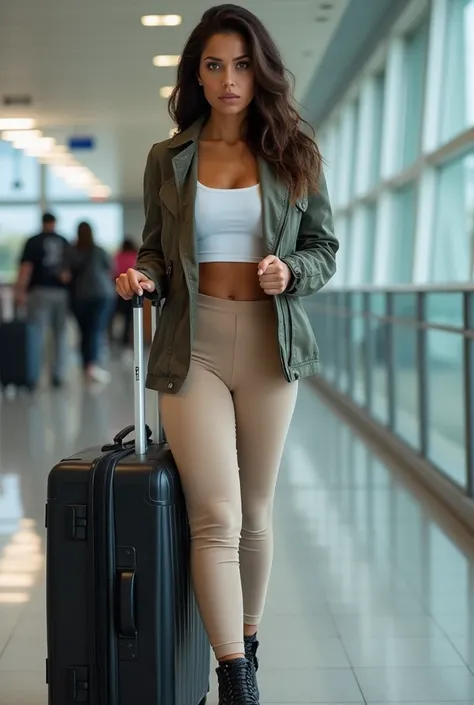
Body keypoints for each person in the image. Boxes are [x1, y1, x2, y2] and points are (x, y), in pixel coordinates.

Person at [116, 5, 339, 704]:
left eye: (242, 64)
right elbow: (154, 247)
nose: (229, 79)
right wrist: (144, 274)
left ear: (260, 70)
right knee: (216, 513)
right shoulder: (170, 157)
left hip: (271, 346)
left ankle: (248, 636)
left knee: (257, 510)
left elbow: (324, 250)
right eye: (213, 65)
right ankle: (235, 677)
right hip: (194, 345)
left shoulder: (293, 151)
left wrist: (290, 273)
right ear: (197, 76)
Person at [15, 212, 72, 388]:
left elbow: (26, 268)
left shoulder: (33, 241)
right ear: (55, 223)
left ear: (42, 223)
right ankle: (57, 375)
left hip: (39, 292)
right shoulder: (64, 241)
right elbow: (68, 272)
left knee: (36, 335)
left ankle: (34, 375)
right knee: (59, 335)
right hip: (61, 294)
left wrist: (20, 292)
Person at [71, 221, 115, 384]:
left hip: (80, 295)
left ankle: (86, 365)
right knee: (96, 329)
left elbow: (65, 274)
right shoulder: (99, 250)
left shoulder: (73, 251)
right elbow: (110, 268)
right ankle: (92, 366)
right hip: (101, 294)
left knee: (85, 331)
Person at [112, 237, 137, 351]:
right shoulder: (135, 255)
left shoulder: (118, 256)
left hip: (120, 289)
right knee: (129, 318)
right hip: (133, 291)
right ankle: (126, 341)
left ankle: (113, 338)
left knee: (114, 316)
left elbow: (114, 272)